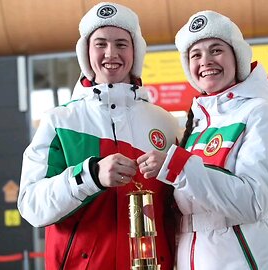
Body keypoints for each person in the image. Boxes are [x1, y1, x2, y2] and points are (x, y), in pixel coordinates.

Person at [17, 2, 181, 270]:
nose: (111, 53)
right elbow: (32, 206)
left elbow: (180, 209)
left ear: (136, 51)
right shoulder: (60, 121)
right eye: (100, 44)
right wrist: (89, 175)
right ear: (86, 52)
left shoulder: (163, 122)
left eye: (121, 44)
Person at [136, 10, 268, 270]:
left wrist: (176, 166)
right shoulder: (197, 124)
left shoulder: (260, 111)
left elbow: (253, 201)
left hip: (247, 260)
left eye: (216, 50)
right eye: (196, 55)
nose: (206, 61)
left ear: (237, 56)